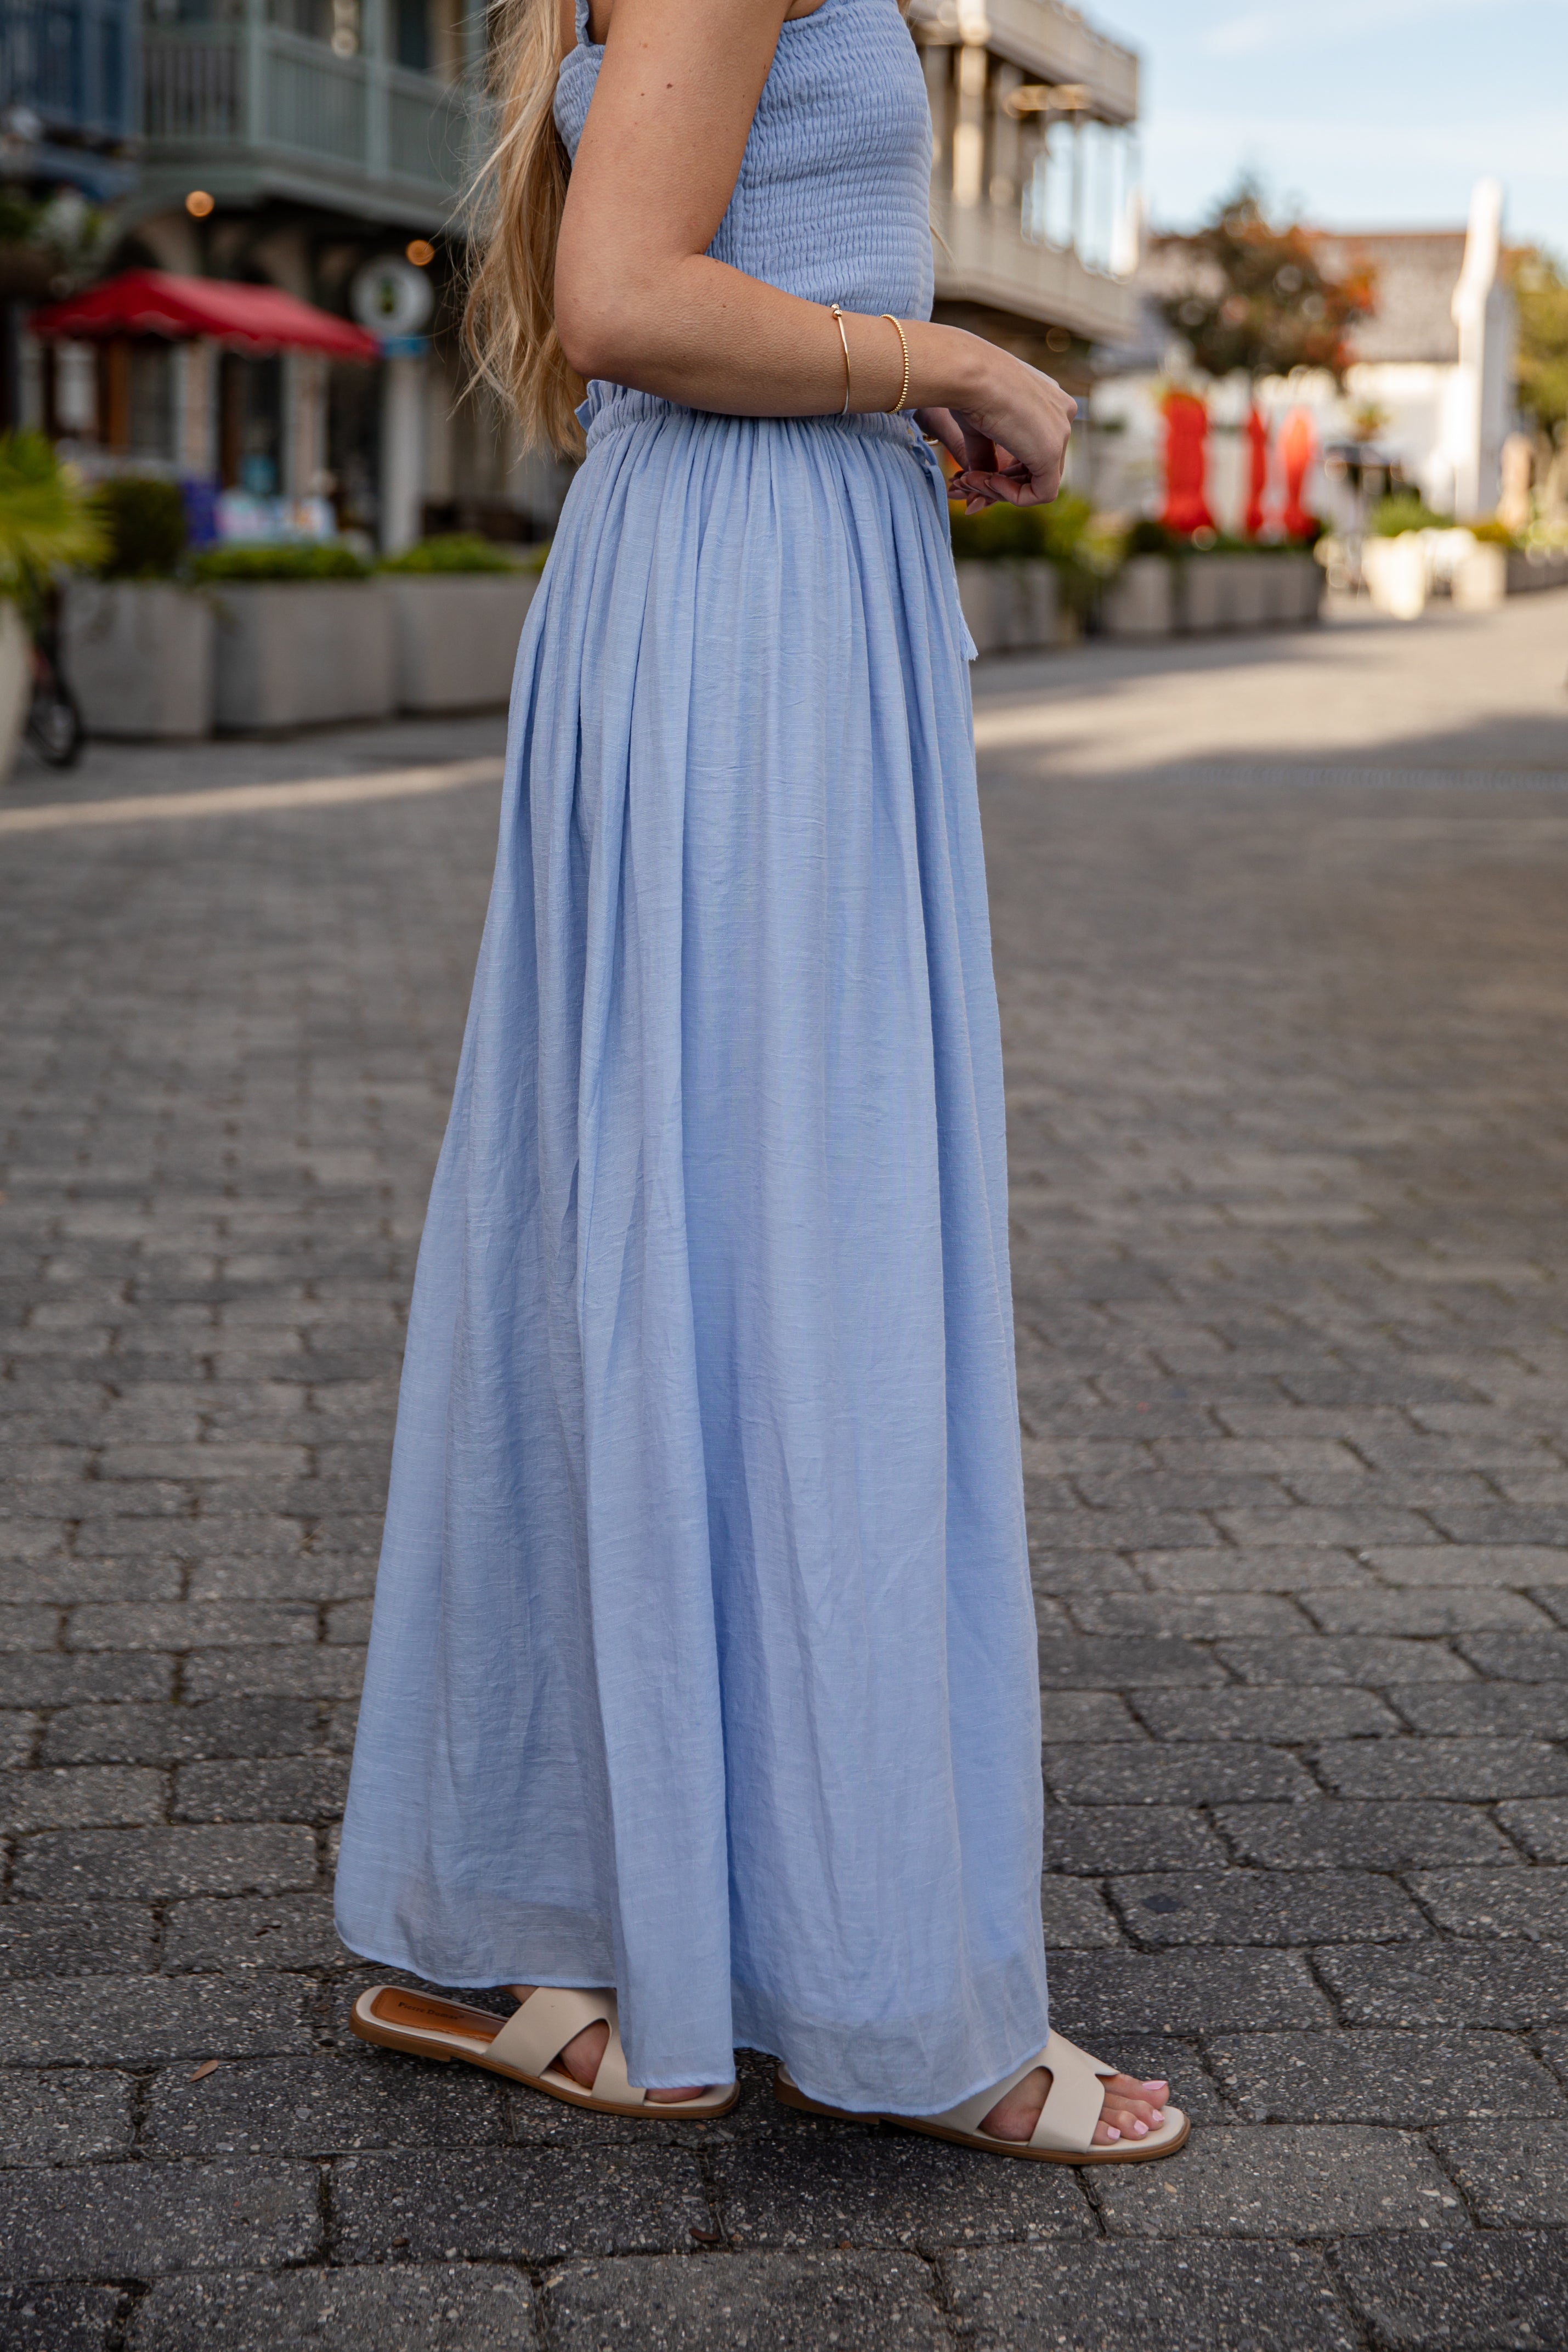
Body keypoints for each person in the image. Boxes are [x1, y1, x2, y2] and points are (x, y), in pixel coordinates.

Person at [335, 0, 1187, 2167]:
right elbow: (630, 296)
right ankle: (895, 1990)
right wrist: (956, 364)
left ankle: (512, 1921)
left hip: (735, 580)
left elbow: (658, 270)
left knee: (653, 1236)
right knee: (810, 1259)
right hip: (754, 606)